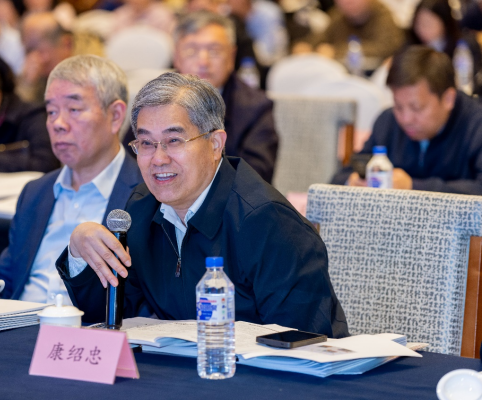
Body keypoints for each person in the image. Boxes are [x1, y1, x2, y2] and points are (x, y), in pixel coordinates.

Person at [59, 72, 349, 338]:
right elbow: (111, 318)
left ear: (215, 144)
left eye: (174, 140)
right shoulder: (141, 207)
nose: (158, 159)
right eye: (146, 143)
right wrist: (78, 252)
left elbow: (301, 343)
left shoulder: (269, 222)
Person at [0, 55, 143, 321]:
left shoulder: (146, 194)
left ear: (115, 116)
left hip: (89, 334)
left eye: (74, 109)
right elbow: (4, 282)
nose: (58, 124)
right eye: (51, 111)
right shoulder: (36, 193)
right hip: (17, 329)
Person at [123, 11, 278, 183]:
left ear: (232, 56)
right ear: (177, 56)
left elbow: (255, 176)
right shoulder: (153, 99)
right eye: (192, 51)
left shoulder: (256, 106)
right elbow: (128, 163)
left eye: (214, 51)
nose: (203, 62)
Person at [331, 46, 482, 195]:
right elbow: (339, 179)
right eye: (398, 106)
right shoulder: (387, 122)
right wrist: (352, 182)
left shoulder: (476, 124)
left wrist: (413, 187)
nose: (406, 119)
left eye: (416, 108)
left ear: (448, 98)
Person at [294, 0, 404, 72]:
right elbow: (319, 38)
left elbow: (385, 47)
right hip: (341, 77)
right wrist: (305, 45)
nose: (348, 2)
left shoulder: (382, 15)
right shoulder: (338, 16)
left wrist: (335, 51)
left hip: (373, 77)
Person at [406, 0, 482, 96]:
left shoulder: (461, 46)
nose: (422, 29)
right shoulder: (412, 45)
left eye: (428, 24)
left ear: (444, 21)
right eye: (418, 23)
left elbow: (465, 87)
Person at [17, 12, 75, 103]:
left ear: (66, 45)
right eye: (28, 51)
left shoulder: (89, 73)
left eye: (40, 51)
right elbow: (19, 108)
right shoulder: (34, 78)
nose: (33, 58)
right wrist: (28, 85)